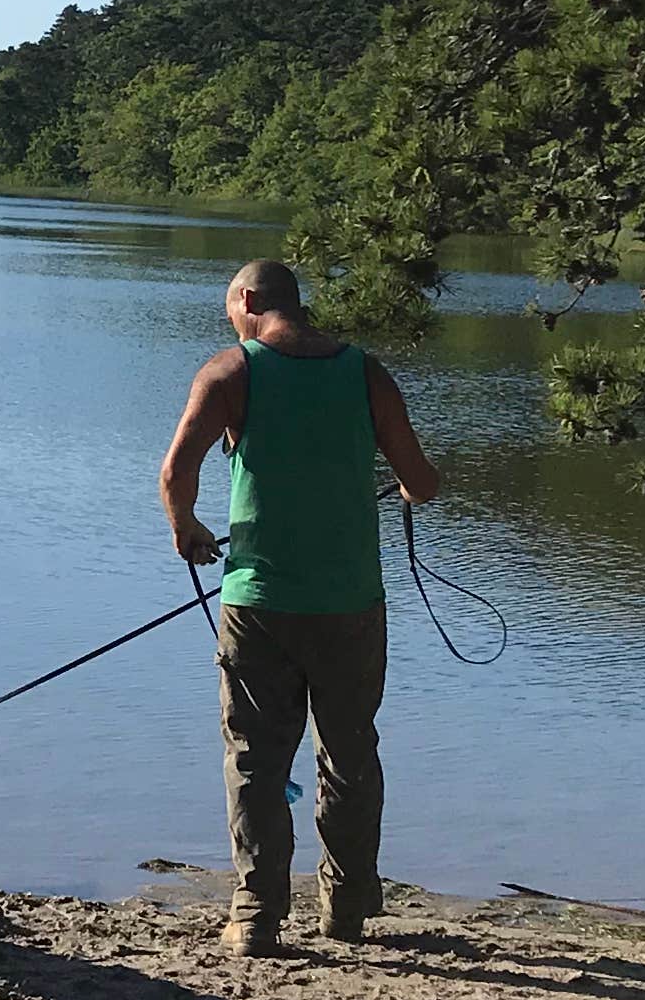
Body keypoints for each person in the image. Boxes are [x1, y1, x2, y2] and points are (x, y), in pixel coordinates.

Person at [156, 258, 441, 957]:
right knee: (349, 753)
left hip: (258, 601)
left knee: (255, 757)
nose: (231, 320)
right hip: (350, 604)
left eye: (231, 309)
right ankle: (345, 907)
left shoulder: (230, 373)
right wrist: (402, 492)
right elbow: (423, 482)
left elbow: (175, 472)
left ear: (248, 300)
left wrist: (186, 529)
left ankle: (256, 915)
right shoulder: (365, 373)